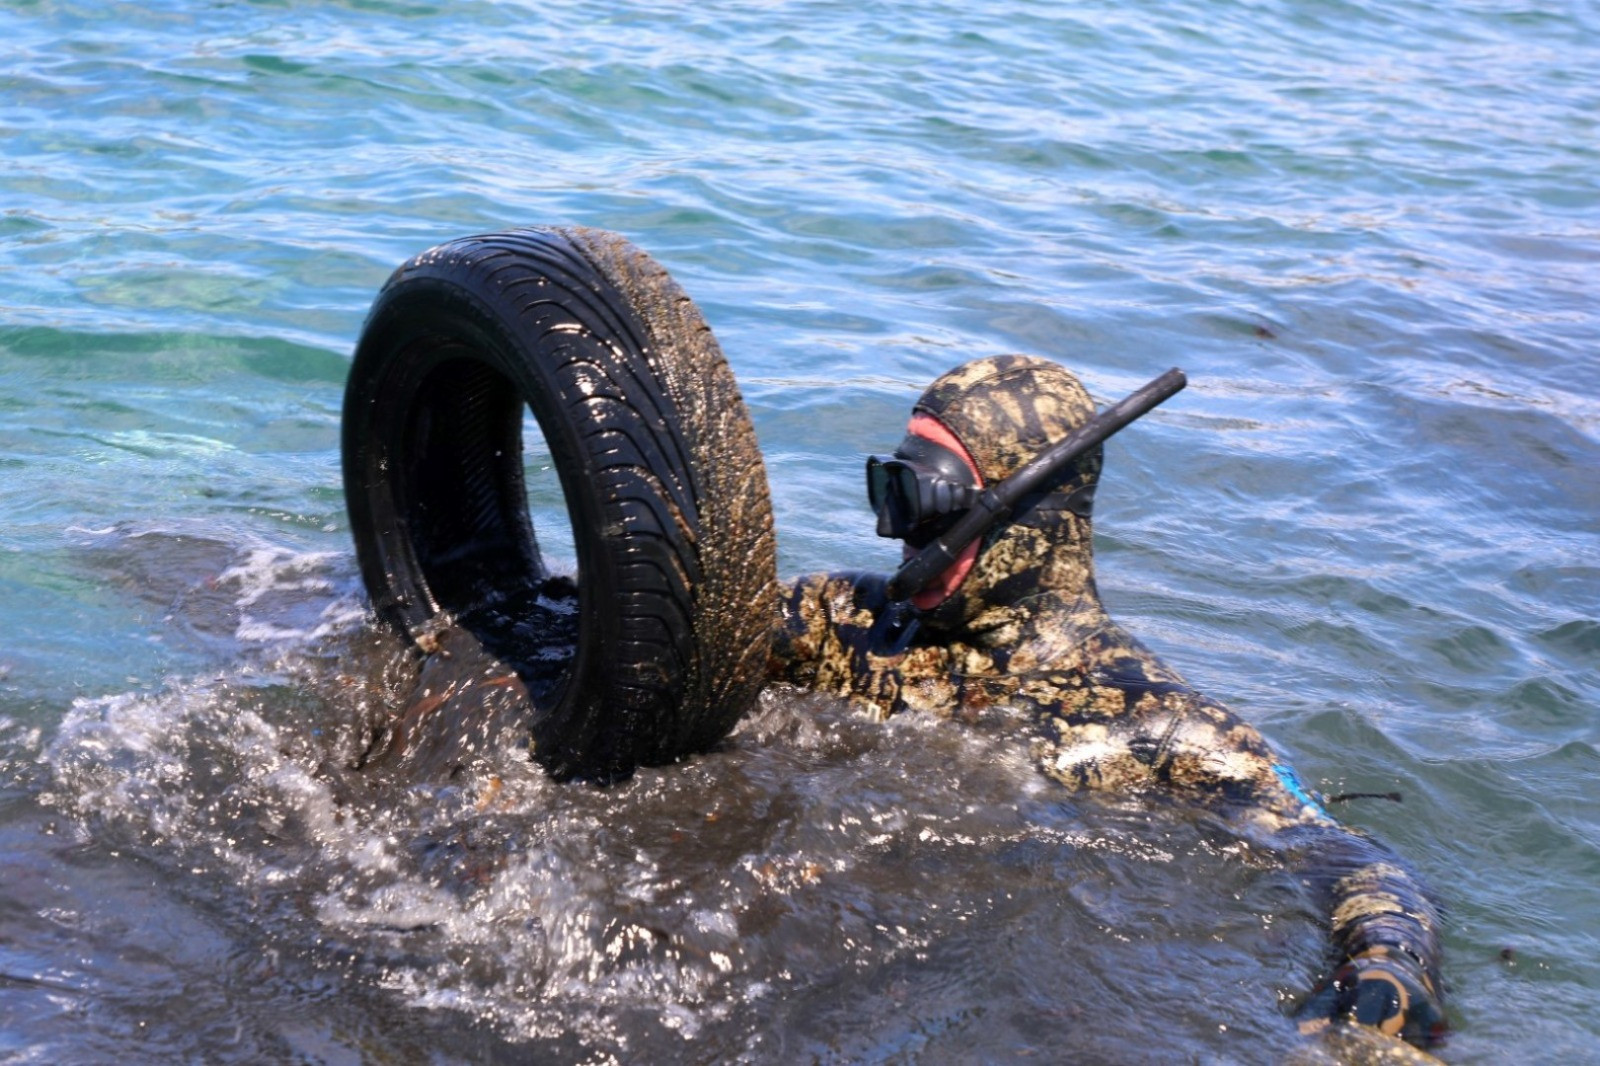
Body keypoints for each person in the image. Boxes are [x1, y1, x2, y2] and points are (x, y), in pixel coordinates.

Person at [767, 355, 1447, 1049]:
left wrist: (1386, 966)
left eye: (923, 499)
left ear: (1027, 515)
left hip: (1020, 993)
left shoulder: (1156, 724)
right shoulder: (842, 622)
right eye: (888, 489)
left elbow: (1347, 859)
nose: (895, 530)